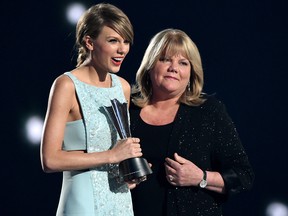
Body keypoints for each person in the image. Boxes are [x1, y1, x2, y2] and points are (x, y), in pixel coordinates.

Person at [129, 28, 255, 216]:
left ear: (191, 73)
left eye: (183, 62)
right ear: (149, 65)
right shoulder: (127, 109)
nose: (173, 68)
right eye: (164, 59)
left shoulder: (209, 111)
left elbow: (243, 176)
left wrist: (200, 177)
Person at [40, 3, 142, 216]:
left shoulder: (122, 87)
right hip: (82, 203)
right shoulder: (66, 85)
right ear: (89, 42)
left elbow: (118, 152)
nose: (122, 49)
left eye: (126, 41)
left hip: (120, 202)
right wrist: (112, 156)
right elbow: (50, 159)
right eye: (113, 40)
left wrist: (127, 171)